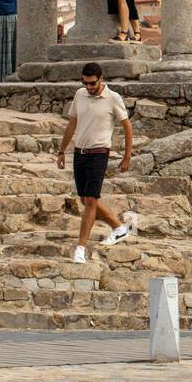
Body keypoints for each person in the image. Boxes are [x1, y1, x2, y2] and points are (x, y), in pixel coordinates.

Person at [56, 62, 134, 264]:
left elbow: (127, 127)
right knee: (85, 199)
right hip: (79, 153)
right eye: (86, 83)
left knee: (90, 200)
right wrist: (61, 150)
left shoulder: (113, 98)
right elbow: (72, 123)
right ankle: (118, 228)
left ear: (101, 79)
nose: (89, 87)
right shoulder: (79, 95)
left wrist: (127, 157)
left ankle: (80, 247)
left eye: (92, 83)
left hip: (99, 153)